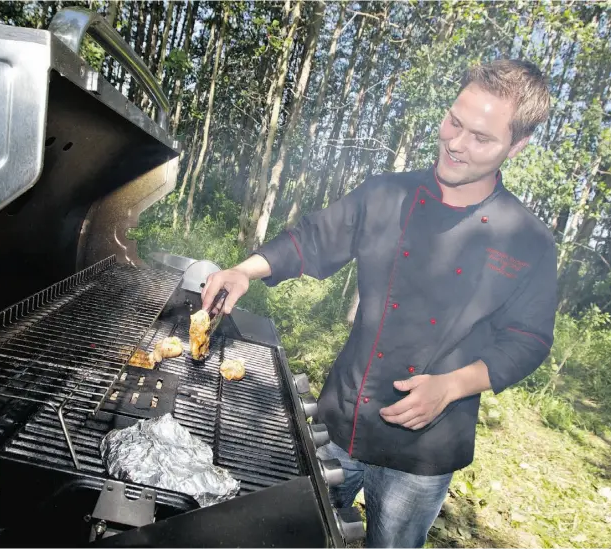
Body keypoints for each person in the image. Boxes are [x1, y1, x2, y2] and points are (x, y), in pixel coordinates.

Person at [202, 59, 557, 548]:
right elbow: (312, 238)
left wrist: (453, 385)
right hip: (343, 418)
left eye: (481, 138)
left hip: (426, 447)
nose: (455, 143)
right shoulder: (387, 194)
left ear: (517, 146)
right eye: (454, 121)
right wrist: (244, 270)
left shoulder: (527, 240)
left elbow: (529, 339)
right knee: (299, 536)